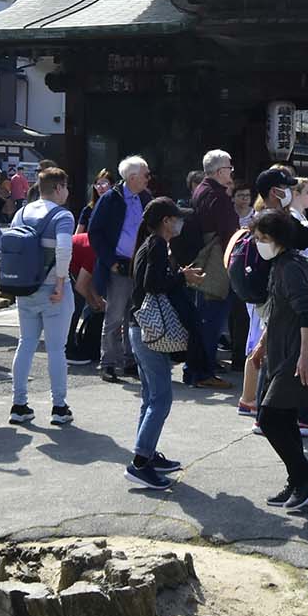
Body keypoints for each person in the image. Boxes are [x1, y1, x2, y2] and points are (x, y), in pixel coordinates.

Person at [249, 211, 308, 510]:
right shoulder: (280, 264)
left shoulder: (291, 267)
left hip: (295, 352)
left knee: (269, 418)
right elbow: (278, 310)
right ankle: (297, 480)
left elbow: (306, 311)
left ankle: (306, 477)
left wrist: (306, 355)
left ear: (278, 238)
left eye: (262, 238)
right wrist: (261, 345)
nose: (258, 244)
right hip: (281, 349)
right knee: (282, 418)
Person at [125, 197, 199, 490]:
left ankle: (148, 454)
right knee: (161, 399)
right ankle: (141, 463)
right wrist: (182, 276)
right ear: (167, 221)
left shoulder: (151, 243)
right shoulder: (156, 244)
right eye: (177, 217)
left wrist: (180, 275)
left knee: (150, 397)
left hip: (140, 329)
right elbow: (153, 284)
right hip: (150, 332)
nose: (180, 222)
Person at [8, 167, 79, 427]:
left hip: (25, 289)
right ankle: (59, 407)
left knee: (25, 343)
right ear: (59, 188)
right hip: (52, 291)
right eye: (66, 188)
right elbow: (63, 249)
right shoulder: (62, 215)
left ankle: (19, 404)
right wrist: (60, 283)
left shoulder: (21, 212)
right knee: (56, 349)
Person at [88, 156, 151, 383]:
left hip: (138, 266)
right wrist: (110, 261)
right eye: (145, 174)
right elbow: (95, 233)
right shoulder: (110, 199)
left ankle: (129, 360)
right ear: (132, 177)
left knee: (133, 315)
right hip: (118, 264)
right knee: (114, 315)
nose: (148, 178)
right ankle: (108, 363)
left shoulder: (146, 197)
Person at [185, 150, 238, 389]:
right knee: (212, 319)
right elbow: (229, 233)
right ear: (219, 172)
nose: (231, 172)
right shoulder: (218, 196)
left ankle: (194, 368)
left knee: (203, 319)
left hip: (204, 258)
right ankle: (203, 371)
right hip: (216, 260)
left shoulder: (200, 191)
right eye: (229, 168)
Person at [64, 228, 103, 366]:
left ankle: (68, 343)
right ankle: (67, 348)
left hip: (69, 265)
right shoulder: (94, 251)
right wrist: (93, 301)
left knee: (76, 303)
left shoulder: (94, 242)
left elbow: (86, 278)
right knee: (75, 305)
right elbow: (80, 286)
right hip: (62, 267)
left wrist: (96, 297)